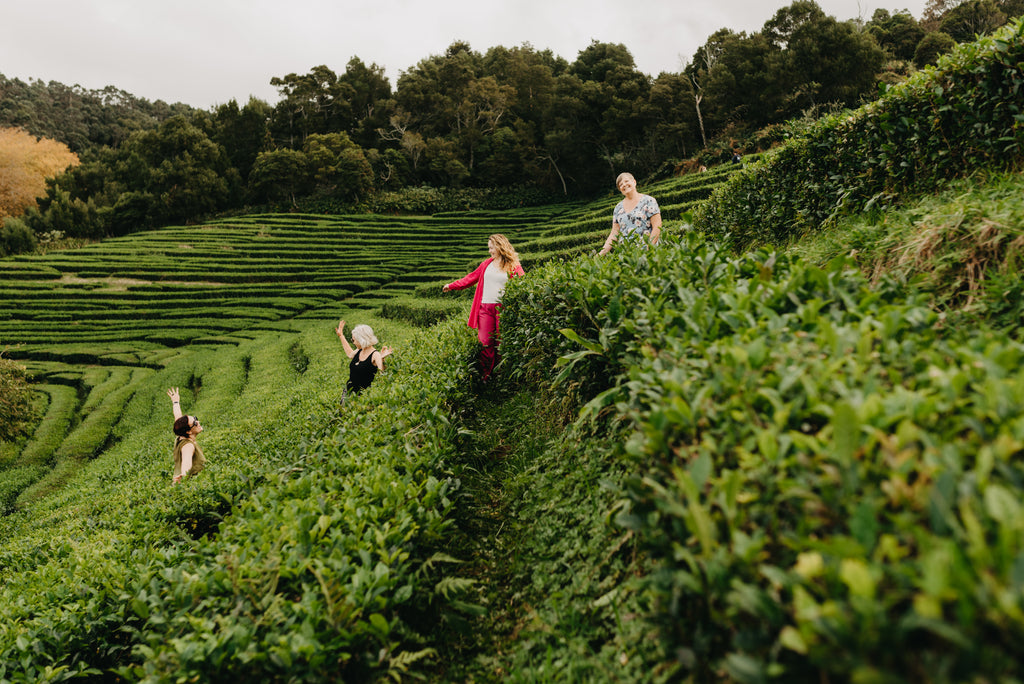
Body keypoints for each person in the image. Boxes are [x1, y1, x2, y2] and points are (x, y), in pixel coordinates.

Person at [443, 234, 524, 382]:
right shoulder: (486, 264)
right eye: (489, 248)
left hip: (503, 308)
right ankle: (486, 376)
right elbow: (470, 278)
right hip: (485, 309)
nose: (490, 251)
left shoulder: (513, 265)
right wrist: (452, 285)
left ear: (500, 247)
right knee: (485, 342)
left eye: (491, 248)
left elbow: (523, 283)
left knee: (501, 342)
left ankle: (501, 376)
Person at [599, 172, 662, 255]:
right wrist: (601, 254)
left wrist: (649, 248)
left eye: (626, 181)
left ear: (634, 182)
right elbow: (614, 233)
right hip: (627, 254)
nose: (624, 185)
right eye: (621, 184)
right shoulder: (618, 208)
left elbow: (657, 225)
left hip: (647, 250)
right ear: (620, 189)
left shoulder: (648, 201)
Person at [335, 320, 392, 396]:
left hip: (362, 396)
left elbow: (382, 373)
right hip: (348, 393)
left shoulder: (375, 355)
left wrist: (382, 359)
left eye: (353, 340)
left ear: (361, 340)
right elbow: (349, 354)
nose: (353, 342)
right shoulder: (360, 350)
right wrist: (341, 336)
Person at [167, 387, 205, 484]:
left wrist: (175, 402)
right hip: (190, 486)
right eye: (195, 423)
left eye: (196, 419)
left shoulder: (181, 434)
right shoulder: (188, 446)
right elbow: (186, 464)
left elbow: (178, 417)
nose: (198, 422)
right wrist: (183, 476)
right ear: (188, 431)